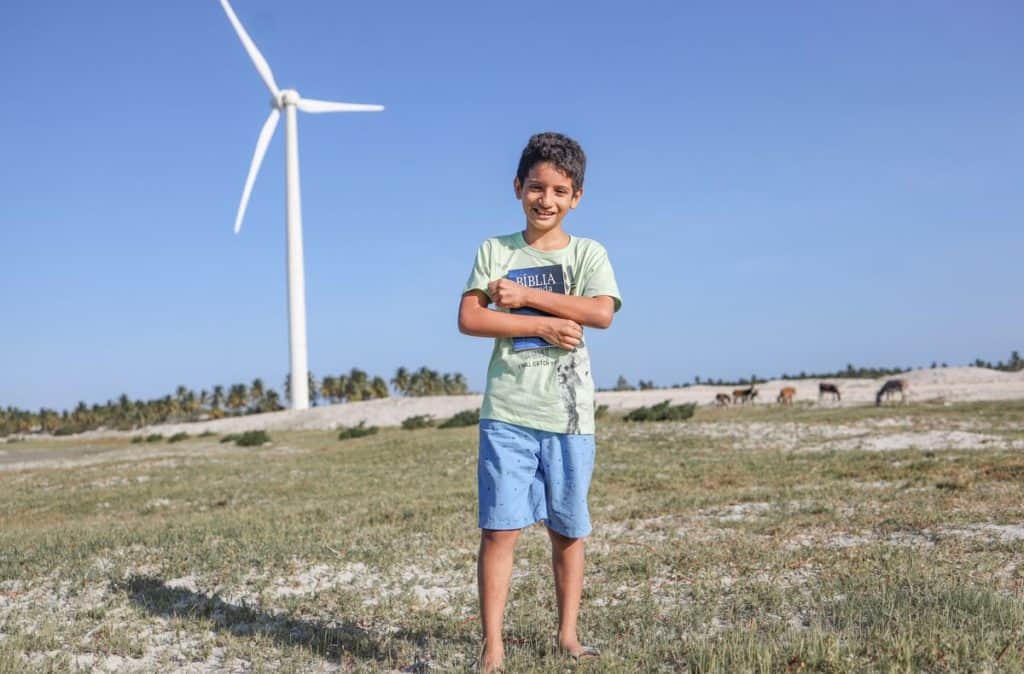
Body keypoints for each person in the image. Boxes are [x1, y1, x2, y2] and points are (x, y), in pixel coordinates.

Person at [458, 132, 622, 672]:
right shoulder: (495, 250)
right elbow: (471, 318)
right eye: (535, 187)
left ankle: (568, 635)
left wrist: (530, 301)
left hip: (570, 417)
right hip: (507, 412)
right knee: (499, 530)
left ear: (576, 197)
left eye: (558, 189)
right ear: (517, 188)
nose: (545, 199)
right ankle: (493, 647)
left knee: (567, 529)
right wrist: (547, 325)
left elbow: (600, 313)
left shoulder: (588, 253)